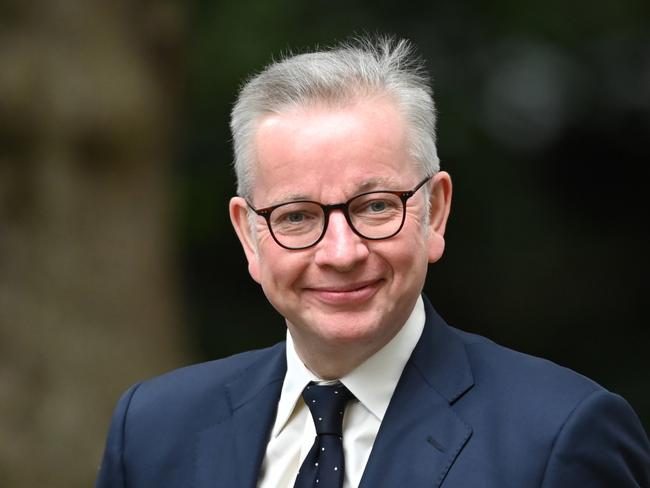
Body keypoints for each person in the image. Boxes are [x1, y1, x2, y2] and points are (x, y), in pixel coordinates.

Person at [96, 36, 650, 488]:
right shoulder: (153, 429)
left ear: (435, 213)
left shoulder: (560, 435)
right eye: (297, 216)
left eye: (377, 206)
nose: (341, 253)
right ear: (249, 236)